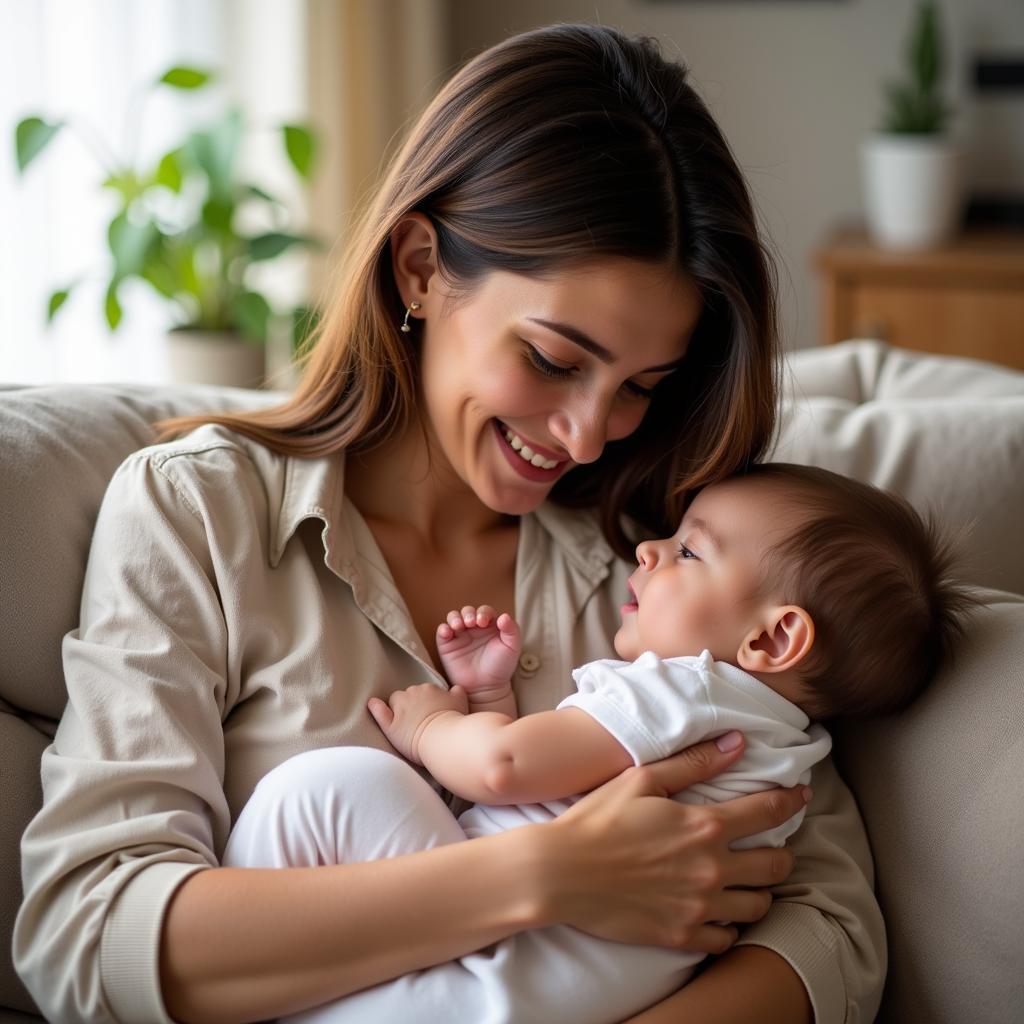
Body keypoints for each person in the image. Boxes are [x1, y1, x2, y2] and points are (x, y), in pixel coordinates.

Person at [15, 24, 886, 1024]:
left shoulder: (657, 559)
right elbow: (90, 933)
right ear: (422, 266)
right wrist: (545, 874)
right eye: (556, 359)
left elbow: (830, 928)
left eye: (641, 386)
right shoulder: (198, 513)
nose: (588, 434)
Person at [222, 463, 972, 1024]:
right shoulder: (788, 747)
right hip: (543, 992)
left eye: (689, 553)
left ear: (773, 637)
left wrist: (433, 726)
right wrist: (491, 699)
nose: (648, 549)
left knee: (329, 789)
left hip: (482, 968)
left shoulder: (687, 690)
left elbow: (503, 768)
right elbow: (554, 783)